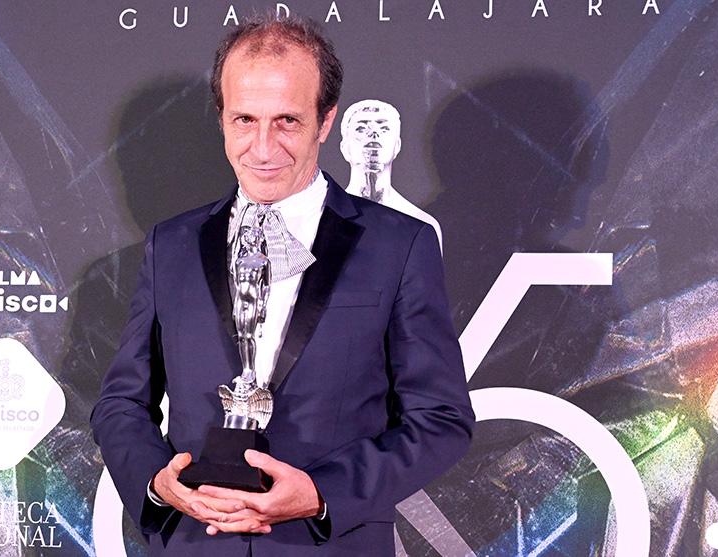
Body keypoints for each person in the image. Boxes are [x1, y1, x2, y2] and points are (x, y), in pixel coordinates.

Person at [90, 13, 474, 556]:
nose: (263, 148)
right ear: (222, 118)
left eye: (287, 121)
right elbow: (120, 403)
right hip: (197, 544)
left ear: (325, 121)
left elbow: (440, 420)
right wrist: (157, 483)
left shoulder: (399, 244)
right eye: (244, 120)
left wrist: (321, 494)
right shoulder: (171, 244)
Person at [340, 99, 444, 250]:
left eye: (384, 129)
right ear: (345, 147)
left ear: (397, 146)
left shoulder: (420, 224)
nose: (373, 134)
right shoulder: (321, 219)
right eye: (361, 128)